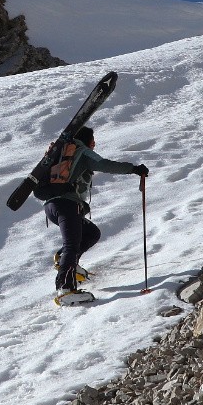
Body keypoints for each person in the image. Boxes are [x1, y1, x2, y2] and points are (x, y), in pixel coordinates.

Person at [43, 125, 148, 298]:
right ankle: (65, 289)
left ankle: (66, 260)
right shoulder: (82, 152)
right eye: (92, 140)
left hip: (52, 206)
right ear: (86, 140)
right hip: (68, 205)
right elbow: (103, 164)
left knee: (91, 233)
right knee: (71, 244)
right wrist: (134, 169)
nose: (94, 144)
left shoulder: (62, 154)